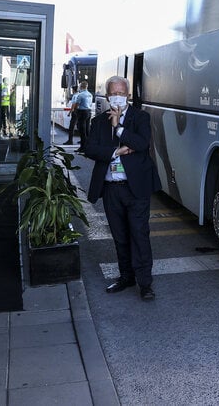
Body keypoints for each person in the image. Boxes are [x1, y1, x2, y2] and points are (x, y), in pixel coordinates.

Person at [83, 76, 160, 301]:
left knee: (139, 234)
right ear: (107, 96)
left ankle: (145, 284)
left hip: (136, 188)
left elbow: (141, 144)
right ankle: (126, 277)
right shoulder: (98, 122)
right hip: (110, 188)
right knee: (120, 236)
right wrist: (116, 152)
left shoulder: (141, 117)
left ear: (128, 95)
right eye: (113, 92)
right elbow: (90, 149)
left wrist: (118, 129)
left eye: (122, 92)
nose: (117, 96)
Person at [65, 81, 93, 150]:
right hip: (89, 112)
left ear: (81, 87)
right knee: (87, 130)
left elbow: (76, 105)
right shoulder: (90, 94)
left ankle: (83, 147)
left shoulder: (81, 95)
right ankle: (88, 146)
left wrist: (75, 111)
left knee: (82, 130)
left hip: (82, 112)